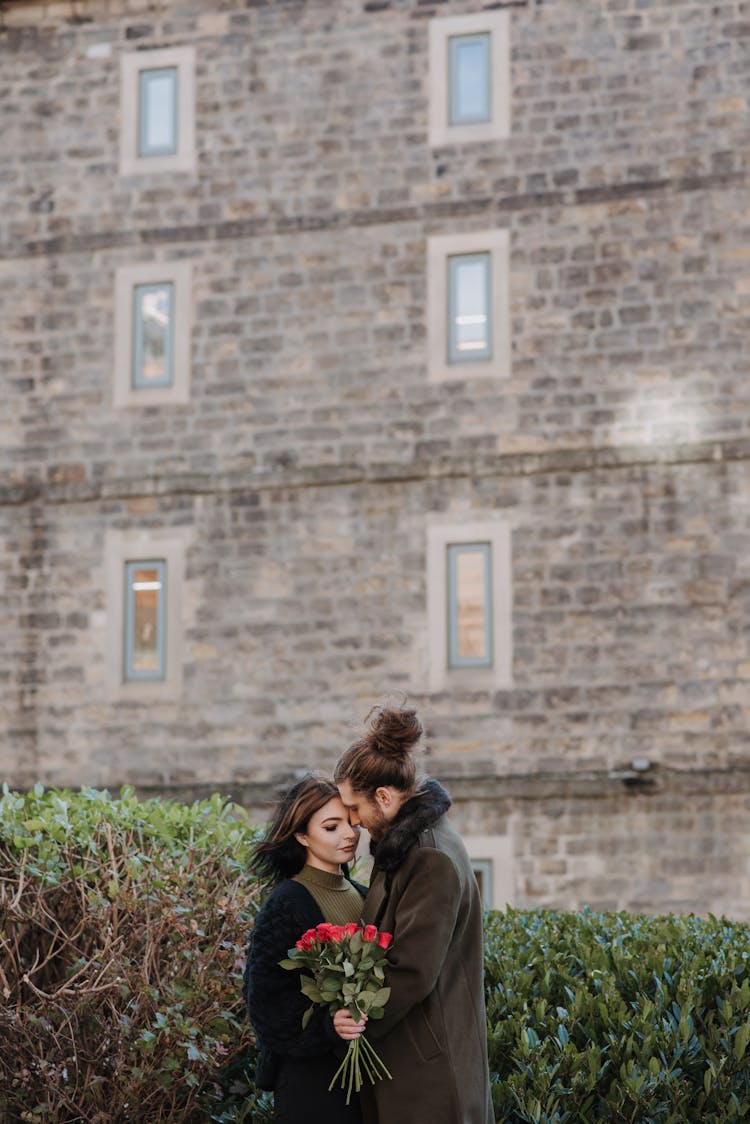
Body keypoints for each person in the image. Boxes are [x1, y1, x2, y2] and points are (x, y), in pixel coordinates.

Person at [334, 704, 495, 1124]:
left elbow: (411, 971)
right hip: (413, 1062)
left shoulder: (430, 858)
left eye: (354, 808)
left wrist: (354, 1023)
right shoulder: (406, 849)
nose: (352, 822)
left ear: (384, 798)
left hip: (429, 1073)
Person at [243, 774, 368, 1124]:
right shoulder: (286, 904)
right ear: (301, 835)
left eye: (351, 822)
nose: (349, 834)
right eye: (331, 827)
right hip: (313, 1083)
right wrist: (330, 1024)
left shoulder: (366, 895)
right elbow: (264, 1003)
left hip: (370, 1079)